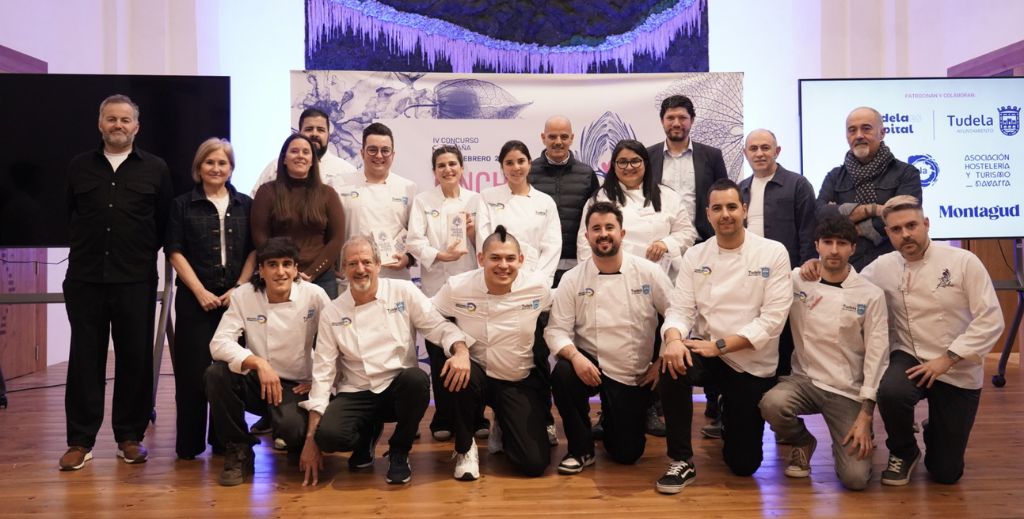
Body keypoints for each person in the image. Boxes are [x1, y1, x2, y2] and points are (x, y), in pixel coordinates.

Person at [298, 236, 470, 486]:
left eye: (366, 262)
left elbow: (438, 327)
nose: (360, 269)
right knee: (329, 437)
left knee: (417, 380)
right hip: (356, 391)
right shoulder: (333, 312)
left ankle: (399, 451)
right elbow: (323, 374)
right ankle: (367, 434)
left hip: (396, 388)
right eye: (352, 263)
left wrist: (461, 350)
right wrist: (311, 439)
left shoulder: (403, 292)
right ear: (343, 269)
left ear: (379, 264)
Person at [656, 178, 792, 494]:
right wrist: (673, 338)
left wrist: (720, 346)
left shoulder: (772, 252)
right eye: (717, 208)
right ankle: (681, 460)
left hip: (750, 361)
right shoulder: (696, 255)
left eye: (732, 206)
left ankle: (729, 408)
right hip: (707, 351)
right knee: (670, 364)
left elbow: (771, 322)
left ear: (743, 210)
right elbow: (680, 311)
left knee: (744, 466)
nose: (725, 214)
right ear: (708, 214)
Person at [59, 94, 172, 471]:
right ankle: (80, 440)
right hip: (85, 279)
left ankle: (129, 436)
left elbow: (161, 224)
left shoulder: (155, 169)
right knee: (84, 360)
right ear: (100, 124)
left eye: (125, 120)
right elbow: (69, 215)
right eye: (111, 119)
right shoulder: (78, 167)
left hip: (135, 280)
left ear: (136, 127)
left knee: (135, 360)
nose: (118, 125)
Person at [864, 196, 1001, 485]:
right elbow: (849, 287)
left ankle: (935, 428)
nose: (906, 235)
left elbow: (991, 320)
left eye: (912, 225)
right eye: (896, 230)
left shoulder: (963, 261)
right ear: (888, 233)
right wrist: (812, 268)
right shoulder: (882, 266)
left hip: (958, 365)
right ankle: (904, 449)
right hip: (910, 355)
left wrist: (947, 359)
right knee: (891, 391)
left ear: (926, 224)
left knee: (946, 473)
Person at [576, 139, 696, 437]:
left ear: (646, 163)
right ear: (612, 167)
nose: (629, 167)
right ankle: (609, 408)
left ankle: (651, 408)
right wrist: (589, 274)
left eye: (635, 161)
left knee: (655, 345)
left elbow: (687, 232)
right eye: (622, 162)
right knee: (613, 346)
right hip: (611, 283)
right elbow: (584, 239)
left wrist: (665, 243)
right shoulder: (602, 197)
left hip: (657, 282)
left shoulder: (666, 196)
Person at [758, 217, 888, 490]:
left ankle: (851, 436)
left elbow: (878, 356)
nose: (833, 250)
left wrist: (866, 414)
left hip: (847, 390)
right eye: (827, 243)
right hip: (804, 381)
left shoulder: (870, 294)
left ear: (853, 248)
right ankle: (803, 441)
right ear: (816, 245)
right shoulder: (797, 280)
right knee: (772, 404)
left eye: (841, 244)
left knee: (855, 480)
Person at [546, 201, 672, 474]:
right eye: (596, 229)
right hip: (590, 364)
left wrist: (661, 360)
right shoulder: (572, 278)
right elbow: (556, 330)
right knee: (563, 374)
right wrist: (576, 358)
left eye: (609, 228)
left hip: (632, 370)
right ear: (587, 236)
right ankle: (580, 449)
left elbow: (676, 314)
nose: (603, 234)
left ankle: (612, 420)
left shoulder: (648, 272)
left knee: (627, 454)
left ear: (622, 233)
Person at [205, 237, 331, 486]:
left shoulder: (315, 295)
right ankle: (239, 449)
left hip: (295, 386)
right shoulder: (244, 296)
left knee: (295, 435)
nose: (280, 271)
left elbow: (337, 343)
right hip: (259, 381)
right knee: (215, 374)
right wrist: (258, 363)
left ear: (296, 269)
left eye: (287, 264)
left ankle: (288, 433)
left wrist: (317, 380)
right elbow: (218, 344)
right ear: (261, 270)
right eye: (272, 264)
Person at [432, 226, 554, 480]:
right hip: (475, 372)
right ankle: (465, 449)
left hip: (516, 378)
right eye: (495, 258)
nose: (503, 265)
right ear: (481, 259)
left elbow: (563, 316)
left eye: (510, 258)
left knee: (533, 464)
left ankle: (504, 423)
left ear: (521, 260)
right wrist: (459, 346)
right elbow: (430, 317)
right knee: (457, 368)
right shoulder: (457, 287)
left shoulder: (537, 287)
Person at [166, 138, 255, 460]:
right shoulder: (181, 205)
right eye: (210, 162)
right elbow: (174, 250)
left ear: (231, 168)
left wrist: (240, 288)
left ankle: (225, 441)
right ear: (199, 167)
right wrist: (199, 291)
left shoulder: (246, 204)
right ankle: (189, 445)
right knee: (191, 374)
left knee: (228, 370)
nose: (216, 168)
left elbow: (255, 250)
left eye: (223, 163)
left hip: (235, 301)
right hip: (195, 301)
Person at [470, 140, 561, 445]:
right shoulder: (488, 197)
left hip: (532, 290)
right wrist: (498, 277)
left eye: (521, 160)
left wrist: (538, 284)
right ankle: (499, 419)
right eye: (509, 162)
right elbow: (485, 241)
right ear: (502, 166)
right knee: (497, 353)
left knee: (537, 355)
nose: (516, 167)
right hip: (497, 286)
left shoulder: (544, 202)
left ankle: (545, 418)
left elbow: (552, 246)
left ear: (529, 163)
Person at [406, 145, 487, 442]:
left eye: (453, 164)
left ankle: (476, 414)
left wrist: (473, 232)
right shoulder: (423, 202)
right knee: (440, 353)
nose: (448, 169)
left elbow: (488, 242)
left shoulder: (477, 200)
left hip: (471, 289)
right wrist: (439, 255)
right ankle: (443, 416)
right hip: (436, 289)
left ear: (462, 168)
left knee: (473, 352)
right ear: (434, 171)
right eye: (441, 165)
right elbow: (414, 242)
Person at [739, 129, 818, 378]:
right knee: (751, 333)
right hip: (747, 277)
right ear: (745, 153)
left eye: (765, 148)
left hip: (786, 276)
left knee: (784, 339)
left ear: (777, 151)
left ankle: (781, 407)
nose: (760, 154)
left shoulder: (798, 184)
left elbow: (808, 229)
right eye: (754, 149)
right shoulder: (740, 189)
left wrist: (804, 268)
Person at [816, 106, 922, 270]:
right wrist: (872, 210)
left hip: (895, 266)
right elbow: (821, 215)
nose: (859, 135)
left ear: (882, 133)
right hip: (847, 269)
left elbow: (902, 217)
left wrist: (847, 226)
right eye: (852, 130)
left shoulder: (906, 174)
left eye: (866, 129)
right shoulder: (834, 176)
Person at [251, 133, 345, 299]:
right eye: (294, 151)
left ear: (312, 161)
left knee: (324, 325)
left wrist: (311, 273)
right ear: (284, 159)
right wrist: (285, 270)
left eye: (306, 152)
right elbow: (260, 236)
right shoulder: (266, 192)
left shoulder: (328, 194)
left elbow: (337, 239)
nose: (300, 156)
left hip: (321, 277)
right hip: (279, 276)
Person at [337, 122, 418, 281]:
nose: (379, 156)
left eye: (385, 150)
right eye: (372, 150)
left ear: (393, 154)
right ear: (362, 152)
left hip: (394, 276)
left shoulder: (408, 188)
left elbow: (417, 235)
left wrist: (408, 258)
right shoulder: (340, 185)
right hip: (353, 276)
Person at [646, 95, 729, 244]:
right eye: (670, 118)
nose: (676, 123)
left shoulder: (712, 156)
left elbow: (724, 196)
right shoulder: (647, 157)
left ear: (692, 120)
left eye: (682, 118)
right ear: (662, 121)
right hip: (659, 244)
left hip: (703, 242)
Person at [528, 115, 600, 285]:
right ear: (543, 137)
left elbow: (595, 217)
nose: (558, 141)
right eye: (552, 136)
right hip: (538, 263)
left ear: (572, 138)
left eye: (564, 136)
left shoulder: (587, 174)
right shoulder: (528, 172)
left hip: (577, 263)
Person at [250, 107, 358, 196]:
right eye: (309, 129)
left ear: (328, 135)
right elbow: (254, 202)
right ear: (299, 132)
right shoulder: (276, 167)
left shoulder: (347, 171)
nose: (314, 134)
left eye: (320, 130)